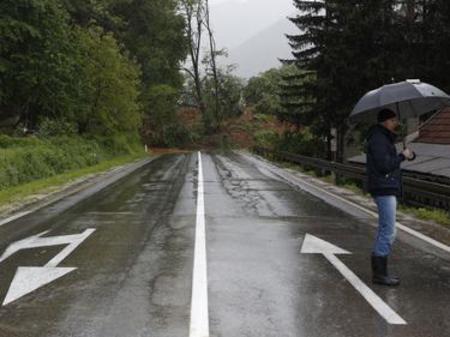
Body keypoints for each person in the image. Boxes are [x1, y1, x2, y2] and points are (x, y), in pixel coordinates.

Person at [366, 108, 415, 286]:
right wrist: (401, 156)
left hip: (386, 187)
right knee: (388, 230)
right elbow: (384, 165)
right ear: (386, 122)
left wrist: (407, 155)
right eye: (394, 120)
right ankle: (379, 274)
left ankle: (381, 272)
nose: (396, 123)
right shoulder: (378, 139)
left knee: (386, 229)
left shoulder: (383, 138)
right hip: (383, 188)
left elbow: (390, 161)